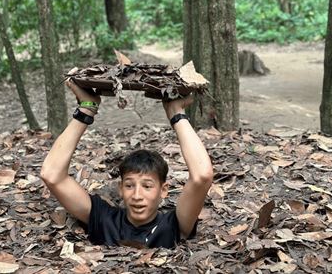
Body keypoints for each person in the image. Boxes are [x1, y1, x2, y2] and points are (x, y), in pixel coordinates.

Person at [40, 79, 213, 248]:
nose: (137, 195)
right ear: (120, 188)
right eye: (130, 185)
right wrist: (86, 109)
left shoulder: (173, 225)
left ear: (163, 190)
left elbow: (202, 176)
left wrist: (177, 114)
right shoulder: (104, 219)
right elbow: (52, 175)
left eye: (147, 186)